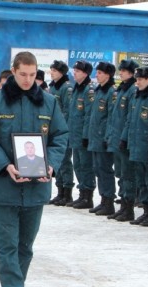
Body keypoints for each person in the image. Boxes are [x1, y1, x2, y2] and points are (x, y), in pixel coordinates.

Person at [0, 51, 68, 287]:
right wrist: (6, 166)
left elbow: (60, 136)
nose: (28, 80)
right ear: (13, 72)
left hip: (37, 187)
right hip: (6, 186)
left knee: (26, 246)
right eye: (23, 74)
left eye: (32, 75)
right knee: (7, 246)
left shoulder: (49, 103)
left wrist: (52, 164)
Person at [121, 66, 148, 227]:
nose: (137, 81)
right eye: (136, 78)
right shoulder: (137, 96)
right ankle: (145, 211)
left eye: (141, 79)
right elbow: (130, 120)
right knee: (141, 180)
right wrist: (125, 138)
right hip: (136, 145)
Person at [104, 59, 139, 222]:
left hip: (124, 140)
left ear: (131, 73)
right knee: (120, 174)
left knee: (127, 175)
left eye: (124, 70)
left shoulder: (132, 90)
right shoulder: (122, 89)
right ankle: (123, 205)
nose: (121, 72)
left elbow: (129, 118)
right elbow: (114, 116)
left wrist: (124, 137)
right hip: (116, 137)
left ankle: (128, 207)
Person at [87, 62, 117, 216]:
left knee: (105, 170)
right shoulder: (98, 91)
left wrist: (108, 137)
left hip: (104, 138)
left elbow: (112, 118)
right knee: (97, 169)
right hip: (95, 138)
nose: (97, 75)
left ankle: (109, 201)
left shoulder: (112, 92)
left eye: (100, 72)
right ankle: (103, 199)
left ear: (108, 75)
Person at [66, 60, 96, 209]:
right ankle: (82, 193)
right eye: (74, 70)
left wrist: (85, 135)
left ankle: (88, 196)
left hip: (83, 136)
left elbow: (88, 115)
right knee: (77, 165)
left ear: (85, 73)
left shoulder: (89, 90)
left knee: (86, 165)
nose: (74, 73)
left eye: (77, 71)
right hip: (74, 134)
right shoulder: (77, 89)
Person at [48, 60, 74, 206]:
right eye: (51, 70)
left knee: (65, 161)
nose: (52, 72)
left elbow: (67, 110)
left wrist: (59, 125)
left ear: (62, 73)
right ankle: (59, 191)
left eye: (55, 70)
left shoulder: (66, 88)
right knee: (56, 160)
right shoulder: (53, 87)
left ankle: (67, 192)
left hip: (62, 130)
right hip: (52, 129)